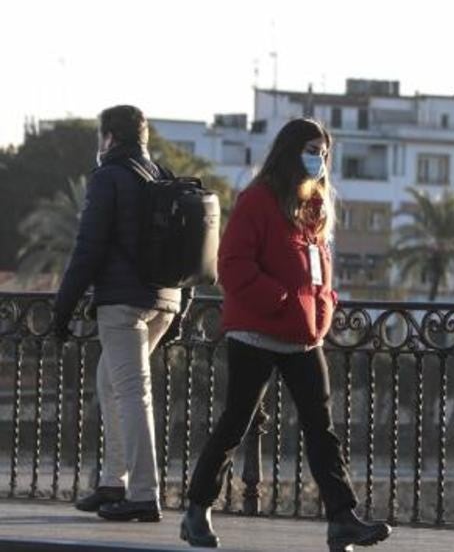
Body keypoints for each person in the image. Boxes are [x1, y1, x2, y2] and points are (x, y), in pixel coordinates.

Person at [180, 118, 390, 550]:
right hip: (257, 334)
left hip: (303, 337)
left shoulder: (315, 205)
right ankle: (197, 511)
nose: (321, 158)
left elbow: (319, 271)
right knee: (236, 423)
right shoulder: (257, 199)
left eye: (325, 151)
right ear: (290, 150)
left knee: (321, 428)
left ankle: (342, 518)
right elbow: (233, 265)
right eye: (313, 149)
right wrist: (280, 300)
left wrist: (326, 305)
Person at [52, 105, 192, 522]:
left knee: (132, 393)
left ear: (109, 138)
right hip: (164, 302)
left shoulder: (108, 177)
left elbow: (88, 248)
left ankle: (144, 495)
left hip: (123, 304)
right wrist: (180, 309)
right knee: (109, 383)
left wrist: (63, 309)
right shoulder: (163, 176)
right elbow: (190, 248)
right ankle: (114, 481)